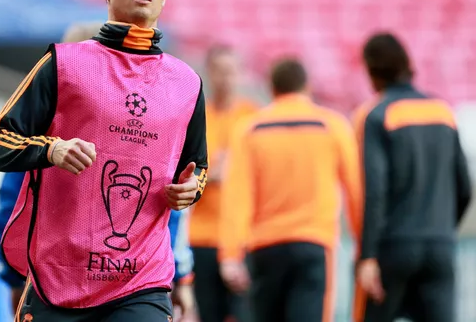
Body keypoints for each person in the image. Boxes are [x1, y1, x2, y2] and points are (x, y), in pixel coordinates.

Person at [0, 0, 208, 322]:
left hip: (141, 282)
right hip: (57, 281)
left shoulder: (187, 84)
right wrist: (51, 149)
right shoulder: (63, 64)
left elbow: (196, 166)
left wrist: (191, 189)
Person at [219, 58, 363, 322]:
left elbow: (237, 196)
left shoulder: (250, 129)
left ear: (272, 89)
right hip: (314, 243)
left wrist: (230, 254)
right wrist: (364, 245)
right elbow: (355, 190)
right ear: (307, 87)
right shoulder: (332, 125)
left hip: (265, 246)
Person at [352, 33, 472, 322]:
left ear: (372, 71)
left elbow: (376, 191)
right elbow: (465, 187)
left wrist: (368, 256)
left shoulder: (379, 115)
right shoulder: (442, 111)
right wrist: (442, 231)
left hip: (395, 246)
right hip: (439, 246)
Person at [0, 172, 196, 319]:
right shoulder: (157, 131)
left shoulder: (48, 129)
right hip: (135, 283)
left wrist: (15, 277)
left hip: (57, 283)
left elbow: (9, 209)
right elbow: (172, 207)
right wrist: (181, 275)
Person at [187, 45, 257, 322]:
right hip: (202, 235)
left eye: (231, 71)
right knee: (208, 313)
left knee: (245, 313)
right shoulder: (197, 117)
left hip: (242, 237)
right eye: (219, 71)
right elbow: (185, 171)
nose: (225, 78)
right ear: (209, 73)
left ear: (240, 74)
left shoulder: (252, 117)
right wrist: (215, 172)